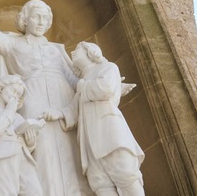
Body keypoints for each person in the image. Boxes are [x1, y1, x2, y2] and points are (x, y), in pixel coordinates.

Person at [0, 0, 93, 196]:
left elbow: (75, 80)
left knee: (71, 153)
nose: (42, 21)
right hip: (34, 103)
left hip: (64, 101)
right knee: (43, 151)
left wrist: (101, 84)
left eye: (46, 17)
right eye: (36, 16)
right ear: (24, 19)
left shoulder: (57, 49)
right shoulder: (13, 44)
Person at [41, 42, 145, 196]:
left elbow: (106, 89)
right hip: (89, 137)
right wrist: (61, 114)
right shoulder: (85, 79)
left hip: (109, 130)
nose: (73, 53)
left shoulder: (108, 67)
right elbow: (75, 107)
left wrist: (82, 85)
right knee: (100, 183)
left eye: (77, 49)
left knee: (125, 173)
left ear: (91, 52)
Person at [0, 75, 43, 196]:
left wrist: (31, 143)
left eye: (18, 94)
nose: (15, 96)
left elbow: (25, 143)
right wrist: (9, 111)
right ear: (1, 88)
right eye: (13, 90)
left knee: (35, 192)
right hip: (0, 157)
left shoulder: (18, 117)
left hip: (22, 159)